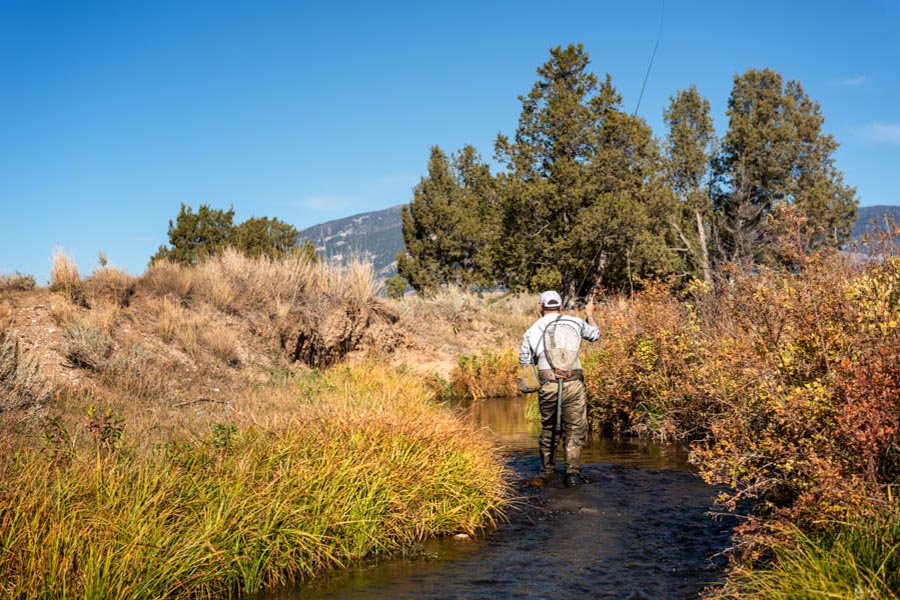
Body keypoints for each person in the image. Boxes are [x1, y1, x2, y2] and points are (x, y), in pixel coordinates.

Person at [518, 290, 599, 486]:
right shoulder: (576, 322)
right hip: (574, 383)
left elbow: (524, 361)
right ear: (560, 306)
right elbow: (595, 335)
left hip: (548, 385)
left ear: (541, 307)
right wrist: (589, 314)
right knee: (575, 428)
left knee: (548, 428)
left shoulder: (531, 330)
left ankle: (547, 471)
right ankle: (572, 473)